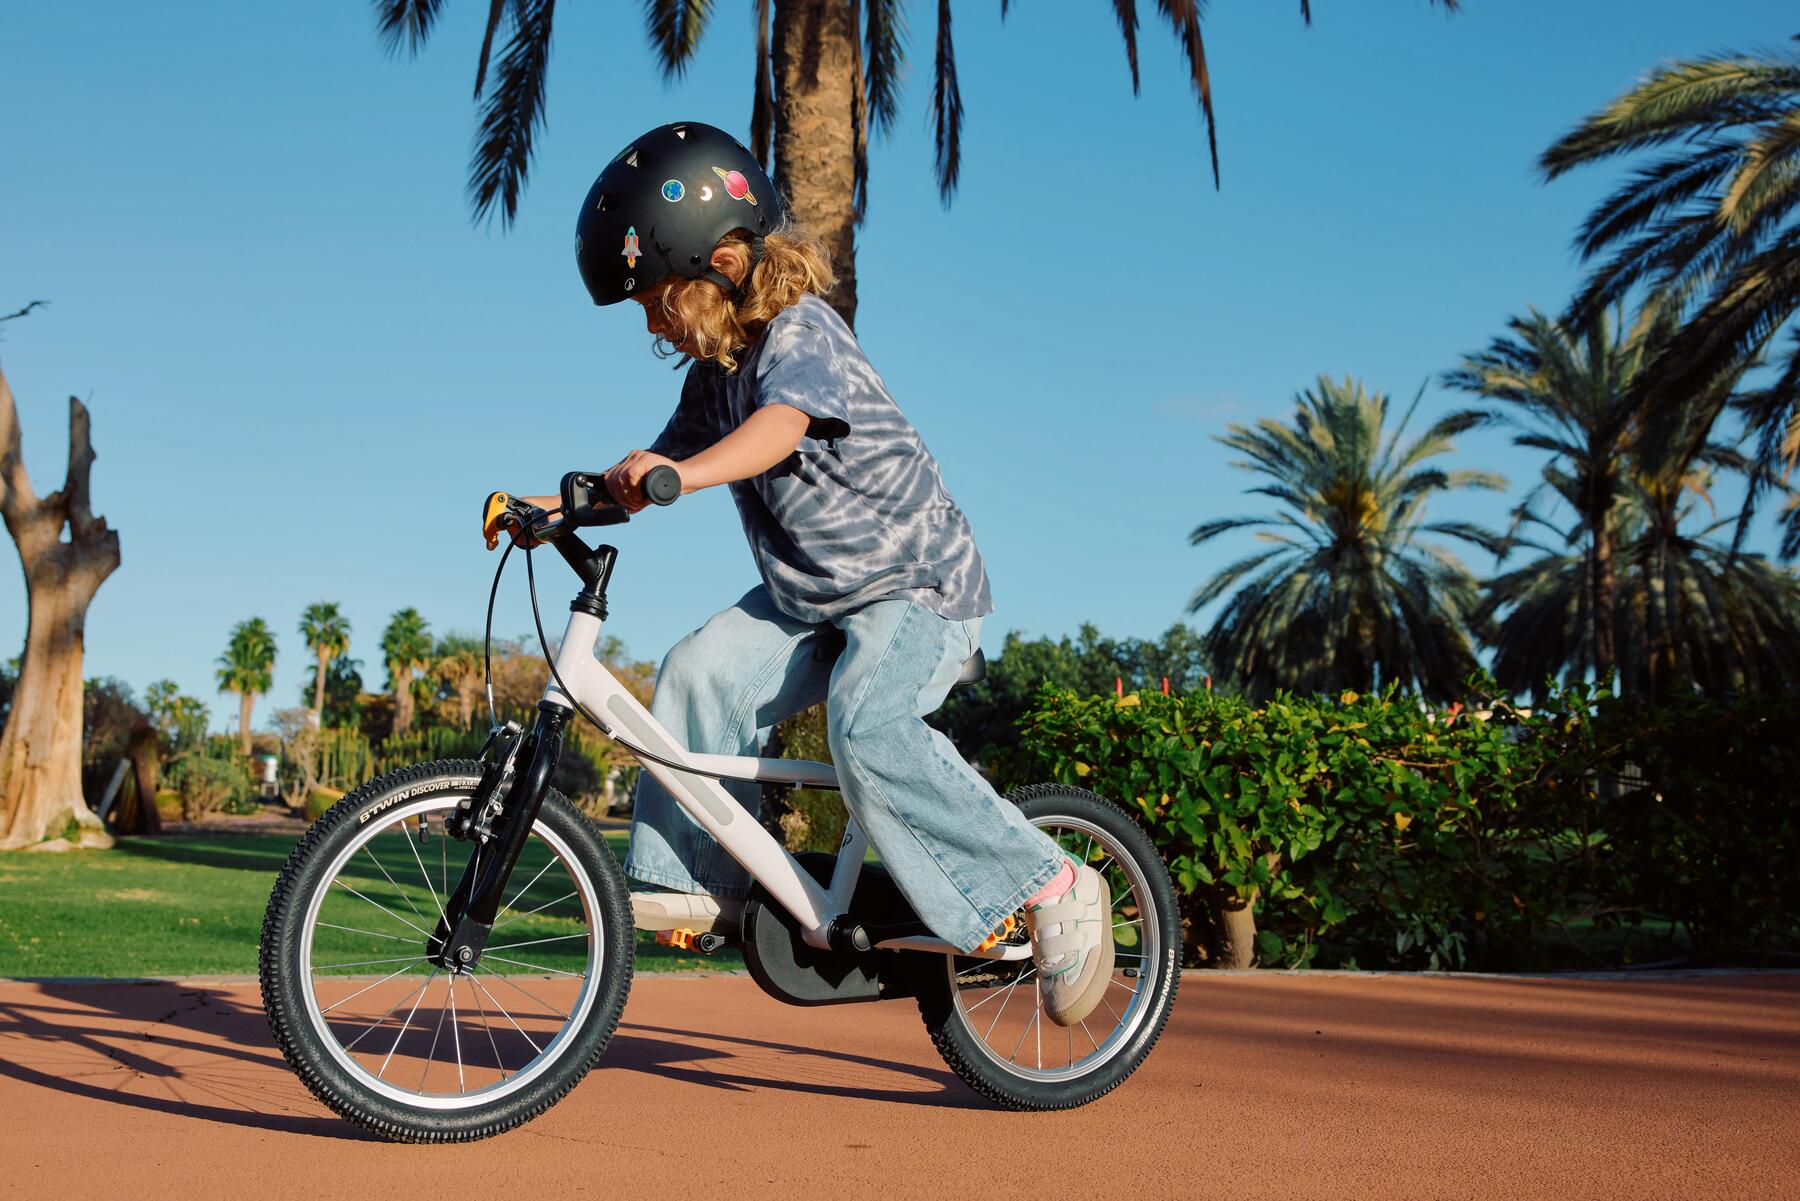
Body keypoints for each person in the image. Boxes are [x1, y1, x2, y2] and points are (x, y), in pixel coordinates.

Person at [520, 121, 1112, 1026]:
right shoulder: (712, 374)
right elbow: (653, 470)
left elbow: (778, 430)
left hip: (915, 586)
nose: (649, 319)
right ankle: (684, 887)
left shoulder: (804, 334)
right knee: (695, 671)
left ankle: (1050, 879)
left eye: (657, 296)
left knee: (866, 720)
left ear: (723, 262)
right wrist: (559, 510)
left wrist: (689, 472)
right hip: (810, 600)